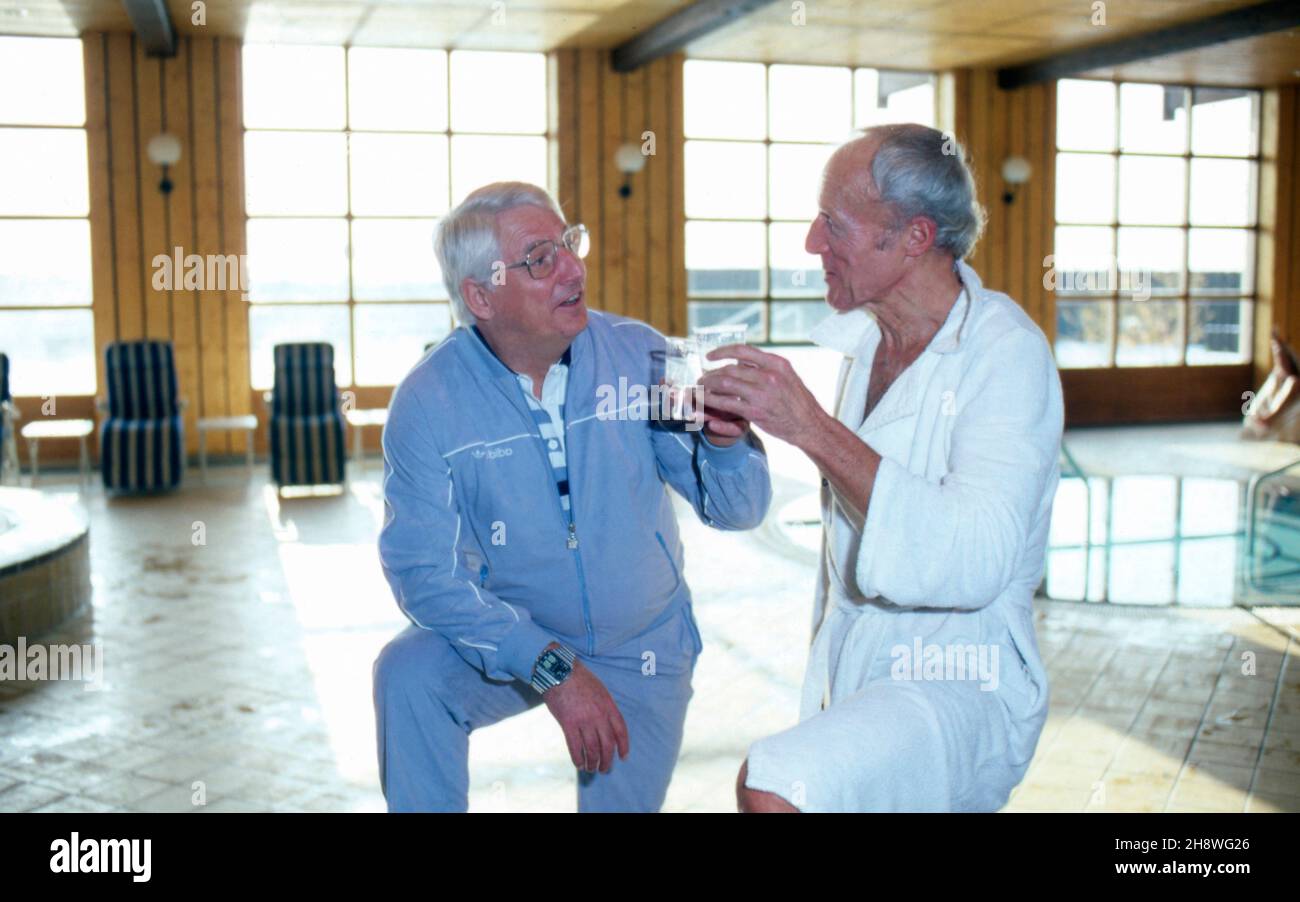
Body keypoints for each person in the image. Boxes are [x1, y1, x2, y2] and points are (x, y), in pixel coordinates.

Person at [372, 182, 772, 812]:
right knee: (410, 673)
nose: (573, 268)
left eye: (569, 243)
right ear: (481, 296)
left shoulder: (638, 356)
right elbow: (424, 577)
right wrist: (549, 664)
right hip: (519, 630)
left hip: (643, 640)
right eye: (540, 258)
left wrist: (725, 446)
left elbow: (739, 511)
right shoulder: (428, 402)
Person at [700, 125, 1064, 812]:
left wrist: (811, 429)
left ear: (914, 239)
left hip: (963, 679)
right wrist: (730, 438)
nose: (812, 243)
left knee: (777, 783)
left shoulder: (1006, 354)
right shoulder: (867, 344)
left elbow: (976, 558)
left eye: (832, 223)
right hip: (862, 669)